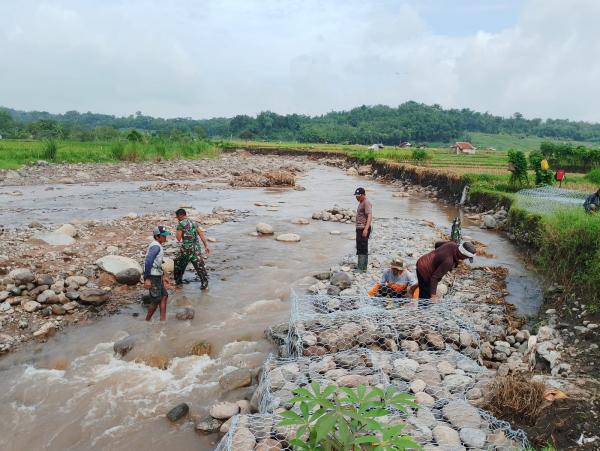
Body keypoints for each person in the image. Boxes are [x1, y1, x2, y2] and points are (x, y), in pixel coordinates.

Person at [173, 208, 210, 289]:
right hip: (196, 248)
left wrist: (178, 230)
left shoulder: (180, 224)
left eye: (177, 217)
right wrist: (206, 246)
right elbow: (201, 234)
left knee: (178, 263)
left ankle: (178, 282)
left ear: (180, 215)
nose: (177, 219)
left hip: (186, 249)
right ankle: (204, 283)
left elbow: (178, 238)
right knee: (199, 265)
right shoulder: (194, 222)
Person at [143, 225, 171, 321]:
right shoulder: (156, 246)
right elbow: (148, 261)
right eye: (163, 236)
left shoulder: (158, 245)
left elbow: (157, 263)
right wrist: (147, 278)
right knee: (156, 300)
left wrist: (163, 276)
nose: (165, 237)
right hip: (153, 276)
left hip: (157, 275)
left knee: (164, 296)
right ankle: (146, 321)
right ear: (157, 236)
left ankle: (163, 320)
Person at [354, 187, 372, 271]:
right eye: (356, 196)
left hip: (363, 228)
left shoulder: (366, 202)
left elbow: (369, 216)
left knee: (362, 247)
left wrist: (366, 229)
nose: (356, 197)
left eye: (358, 196)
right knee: (360, 246)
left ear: (363, 195)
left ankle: (361, 268)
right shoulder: (361, 202)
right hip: (359, 228)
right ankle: (362, 266)